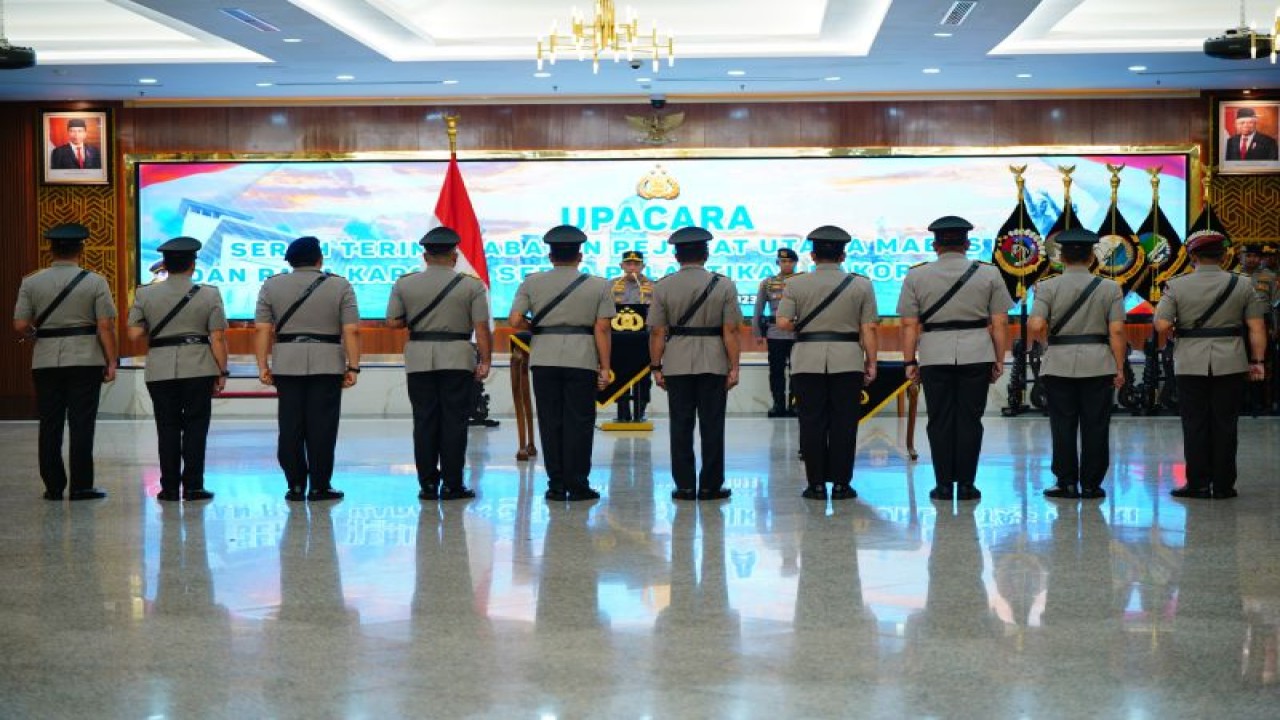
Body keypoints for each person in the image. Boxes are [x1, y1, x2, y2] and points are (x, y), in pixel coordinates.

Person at [898, 215, 1013, 501]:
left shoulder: (917, 275)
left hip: (934, 354)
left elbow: (910, 325)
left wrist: (910, 361)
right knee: (970, 420)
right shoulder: (989, 273)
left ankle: (944, 485)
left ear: (935, 245)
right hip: (977, 353)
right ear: (968, 243)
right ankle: (966, 485)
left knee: (939, 420)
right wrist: (999, 359)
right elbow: (999, 324)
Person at [1155, 231, 1268, 499]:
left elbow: (1160, 324)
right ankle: (1224, 485)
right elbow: (1256, 326)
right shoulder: (1242, 285)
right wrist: (1258, 361)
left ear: (1193, 257)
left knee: (1195, 423)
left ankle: (1198, 483)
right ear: (1224, 256)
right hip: (1231, 360)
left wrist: (1178, 332)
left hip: (1190, 361)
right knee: (1226, 423)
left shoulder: (1176, 285)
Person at [508, 225, 614, 502]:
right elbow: (602, 329)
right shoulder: (600, 285)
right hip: (582, 359)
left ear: (550, 255)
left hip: (544, 358)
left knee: (550, 420)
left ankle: (556, 485)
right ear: (580, 256)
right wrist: (605, 367)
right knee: (579, 421)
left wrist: (539, 328)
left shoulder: (531, 282)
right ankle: (578, 485)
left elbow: (515, 321)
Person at [386, 226, 491, 501]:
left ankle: (428, 485)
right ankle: (453, 484)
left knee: (424, 421)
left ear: (425, 255)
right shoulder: (471, 285)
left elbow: (393, 322)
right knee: (455, 422)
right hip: (457, 357)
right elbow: (481, 328)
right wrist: (486, 360)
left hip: (419, 356)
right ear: (454, 255)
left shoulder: (404, 283)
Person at [12, 223, 116, 500]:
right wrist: (111, 361)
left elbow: (20, 324)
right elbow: (105, 326)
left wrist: (38, 334)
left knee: (50, 423)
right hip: (85, 359)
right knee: (82, 424)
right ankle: (81, 486)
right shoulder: (95, 281)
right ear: (81, 249)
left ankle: (53, 487)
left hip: (45, 359)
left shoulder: (31, 281)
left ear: (51, 249)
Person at [775, 226, 879, 500]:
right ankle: (842, 485)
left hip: (807, 359)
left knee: (811, 423)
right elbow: (869, 328)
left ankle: (816, 485)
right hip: (848, 359)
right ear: (843, 255)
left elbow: (783, 323)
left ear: (812, 255)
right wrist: (871, 362)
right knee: (845, 423)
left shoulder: (795, 284)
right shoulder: (861, 284)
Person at [255, 236, 361, 502]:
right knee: (323, 426)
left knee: (290, 426)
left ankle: (295, 485)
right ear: (319, 259)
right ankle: (319, 486)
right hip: (327, 362)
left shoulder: (271, 285)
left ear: (289, 261)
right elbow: (351, 330)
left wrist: (262, 366)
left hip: (287, 362)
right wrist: (354, 366)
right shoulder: (340, 285)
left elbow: (262, 330)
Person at [1026, 228, 1127, 500]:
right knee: (1096, 425)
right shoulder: (1110, 287)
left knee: (1062, 425)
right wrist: (1119, 368)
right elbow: (1116, 331)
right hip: (1098, 364)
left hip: (1059, 363)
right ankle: (1092, 484)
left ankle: (1066, 482)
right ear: (1092, 257)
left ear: (1062, 257)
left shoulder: (1047, 286)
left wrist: (1049, 341)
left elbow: (1035, 324)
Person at [127, 236, 229, 502]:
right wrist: (221, 371)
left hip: (160, 368)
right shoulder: (209, 293)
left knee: (167, 427)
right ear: (193, 265)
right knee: (196, 428)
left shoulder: (145, 293)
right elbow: (217, 338)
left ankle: (169, 488)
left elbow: (135, 333)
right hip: (198, 367)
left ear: (164, 265)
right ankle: (194, 486)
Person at [649, 226, 743, 502]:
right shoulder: (723, 284)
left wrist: (656, 367)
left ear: (677, 256)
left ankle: (686, 486)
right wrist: (734, 366)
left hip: (676, 361)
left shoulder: (663, 285)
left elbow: (657, 332)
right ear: (706, 254)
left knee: (680, 426)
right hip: (714, 361)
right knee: (713, 425)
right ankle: (711, 485)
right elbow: (731, 331)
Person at [754, 247, 801, 416]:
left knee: (798, 371)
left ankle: (796, 405)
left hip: (798, 334)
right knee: (776, 371)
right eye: (783, 261)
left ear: (795, 263)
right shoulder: (768, 283)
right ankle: (778, 405)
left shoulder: (803, 281)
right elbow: (758, 309)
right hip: (775, 333)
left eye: (789, 261)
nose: (786, 264)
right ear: (778, 263)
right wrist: (758, 333)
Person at [610, 249, 654, 422]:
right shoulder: (610, 285)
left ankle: (639, 411)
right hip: (617, 340)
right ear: (621, 266)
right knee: (618, 376)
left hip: (644, 340)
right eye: (628, 264)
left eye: (636, 264)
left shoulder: (653, 286)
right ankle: (622, 413)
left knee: (643, 378)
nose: (632, 267)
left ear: (643, 266)